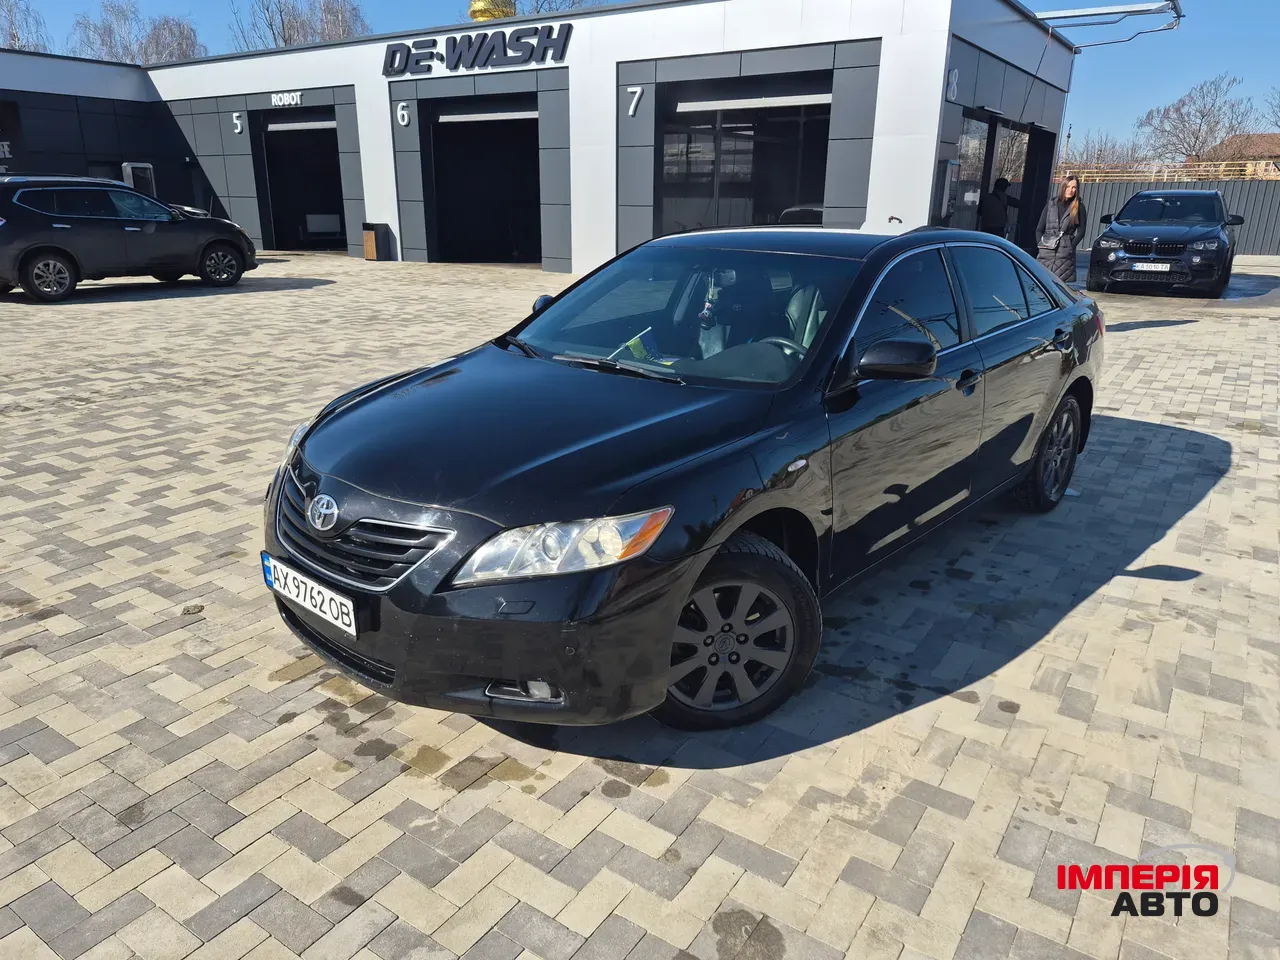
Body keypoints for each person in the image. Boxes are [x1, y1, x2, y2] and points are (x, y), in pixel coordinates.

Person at [1036, 176, 1086, 283]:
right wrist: (1041, 245)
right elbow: (1039, 229)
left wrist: (1070, 246)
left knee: (1061, 287)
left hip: (1065, 253)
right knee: (1041, 284)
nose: (1070, 190)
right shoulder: (1051, 205)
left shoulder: (1079, 207)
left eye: (1074, 187)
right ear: (1062, 187)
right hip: (1046, 252)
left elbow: (1081, 231)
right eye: (1067, 187)